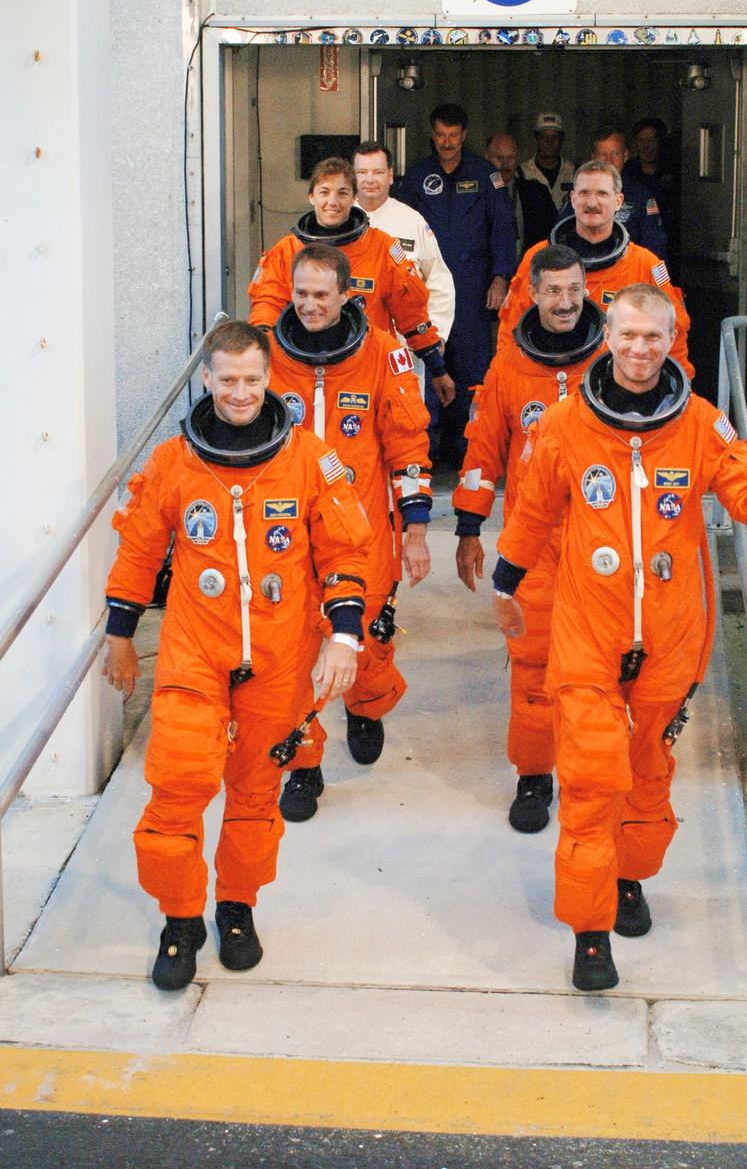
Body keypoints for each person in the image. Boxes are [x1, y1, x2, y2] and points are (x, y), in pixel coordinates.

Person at [491, 284, 747, 993]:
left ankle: (629, 878)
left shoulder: (701, 425)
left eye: (654, 337)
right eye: (628, 336)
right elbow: (531, 510)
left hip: (670, 640)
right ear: (606, 337)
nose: (640, 350)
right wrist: (505, 582)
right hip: (588, 634)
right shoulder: (563, 424)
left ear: (672, 341)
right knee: (589, 779)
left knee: (646, 776)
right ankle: (589, 932)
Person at [101, 321, 370, 992]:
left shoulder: (310, 458)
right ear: (208, 380)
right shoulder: (173, 463)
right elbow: (138, 550)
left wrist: (344, 635)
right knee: (176, 792)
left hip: (277, 659)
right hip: (195, 653)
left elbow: (344, 550)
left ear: (268, 377)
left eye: (253, 379)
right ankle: (180, 917)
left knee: (254, 797)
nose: (242, 392)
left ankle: (237, 906)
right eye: (229, 380)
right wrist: (120, 635)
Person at [264, 245, 432, 816]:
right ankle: (304, 765)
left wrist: (414, 529)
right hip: (286, 535)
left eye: (321, 295)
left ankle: (365, 706)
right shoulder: (266, 354)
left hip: (360, 531)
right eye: (301, 294)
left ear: (346, 295)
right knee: (290, 657)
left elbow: (408, 444)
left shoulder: (383, 354)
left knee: (368, 639)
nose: (309, 305)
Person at [454, 245, 604, 833]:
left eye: (574, 291)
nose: (565, 303)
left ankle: (591, 774)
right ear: (533, 294)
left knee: (605, 671)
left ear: (585, 290)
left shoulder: (615, 359)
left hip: (603, 541)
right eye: (553, 292)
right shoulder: (510, 367)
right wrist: (468, 527)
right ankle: (535, 776)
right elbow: (482, 447)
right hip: (533, 544)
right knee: (533, 666)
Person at [248, 156, 454, 409]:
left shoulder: (382, 249)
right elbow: (266, 310)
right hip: (299, 373)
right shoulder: (286, 251)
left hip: (366, 370)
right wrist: (257, 359)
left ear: (354, 198)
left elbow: (412, 316)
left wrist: (437, 368)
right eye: (324, 192)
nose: (332, 202)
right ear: (311, 196)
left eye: (342, 193)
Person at [395, 103, 517, 468]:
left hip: (472, 288)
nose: (447, 143)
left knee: (470, 372)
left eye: (453, 135)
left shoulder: (485, 175)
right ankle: (424, 454)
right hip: (424, 292)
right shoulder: (416, 178)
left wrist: (500, 278)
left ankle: (468, 454)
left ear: (464, 135)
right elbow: (399, 233)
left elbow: (503, 229)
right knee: (426, 369)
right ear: (432, 136)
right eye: (441, 135)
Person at [499, 160, 693, 378]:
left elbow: (674, 329)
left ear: (618, 201)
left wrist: (677, 389)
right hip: (550, 380)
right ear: (572, 199)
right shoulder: (538, 258)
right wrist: (505, 384)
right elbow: (511, 329)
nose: (592, 203)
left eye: (602, 194)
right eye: (584, 193)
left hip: (617, 387)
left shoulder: (645, 264)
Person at [352, 141, 455, 398]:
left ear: (390, 175)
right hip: (349, 349)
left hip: (404, 348)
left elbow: (438, 280)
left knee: (405, 421)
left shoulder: (411, 221)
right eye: (362, 172)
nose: (370, 180)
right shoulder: (338, 220)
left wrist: (437, 336)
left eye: (377, 172)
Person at [587, 125, 669, 263]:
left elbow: (657, 253)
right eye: (603, 155)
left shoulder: (641, 197)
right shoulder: (579, 198)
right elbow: (557, 245)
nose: (609, 161)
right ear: (594, 158)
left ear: (625, 156)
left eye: (615, 154)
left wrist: (661, 284)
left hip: (629, 279)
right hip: (589, 278)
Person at [623, 117, 681, 279]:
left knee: (662, 285)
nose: (646, 146)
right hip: (633, 248)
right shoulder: (627, 172)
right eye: (641, 140)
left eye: (651, 140)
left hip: (667, 246)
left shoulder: (675, 171)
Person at [485, 133, 558, 257]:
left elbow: (553, 235)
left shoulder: (537, 193)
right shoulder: (475, 195)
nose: (505, 164)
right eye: (499, 157)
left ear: (518, 158)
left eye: (510, 157)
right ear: (487, 158)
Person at [520, 111, 577, 210]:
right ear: (537, 139)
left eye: (554, 137)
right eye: (544, 137)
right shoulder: (521, 173)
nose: (549, 142)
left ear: (561, 139)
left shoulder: (575, 172)